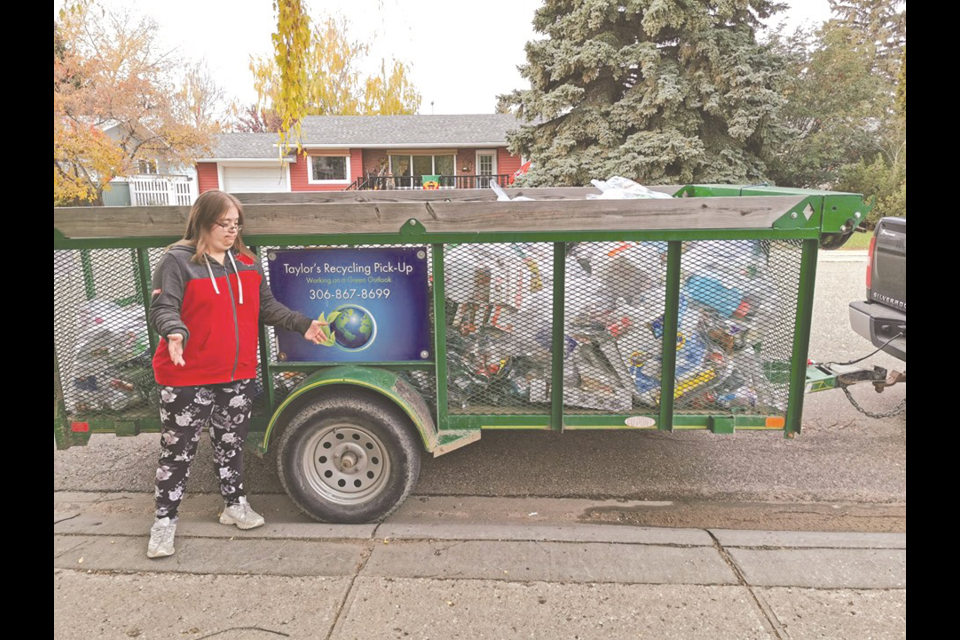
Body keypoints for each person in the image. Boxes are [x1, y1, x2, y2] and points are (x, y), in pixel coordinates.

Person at [146, 190, 325, 558]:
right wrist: (175, 332)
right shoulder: (177, 261)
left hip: (237, 375)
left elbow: (268, 308)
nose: (231, 231)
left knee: (231, 444)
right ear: (202, 222)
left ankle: (234, 505)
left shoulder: (246, 263)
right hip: (186, 376)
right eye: (223, 224)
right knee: (177, 452)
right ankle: (164, 522)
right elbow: (163, 307)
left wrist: (303, 324)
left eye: (236, 224)